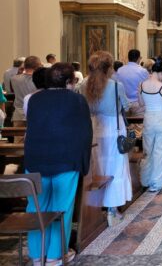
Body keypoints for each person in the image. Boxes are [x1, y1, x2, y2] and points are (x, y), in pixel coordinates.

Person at [25, 63, 92, 265]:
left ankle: (37, 255)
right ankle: (55, 255)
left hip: (36, 159)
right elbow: (85, 133)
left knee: (36, 207)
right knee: (62, 207)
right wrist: (84, 162)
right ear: (68, 82)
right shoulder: (77, 100)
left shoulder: (35, 99)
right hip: (66, 159)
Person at [81, 51, 132, 226]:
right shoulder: (116, 85)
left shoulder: (84, 85)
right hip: (114, 127)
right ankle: (112, 210)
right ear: (109, 68)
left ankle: (96, 206)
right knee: (115, 167)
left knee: (98, 166)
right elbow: (126, 106)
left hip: (93, 127)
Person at [138, 59, 162, 192]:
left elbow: (140, 103)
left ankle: (145, 179)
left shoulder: (141, 84)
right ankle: (156, 183)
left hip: (148, 119)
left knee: (148, 151)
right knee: (161, 152)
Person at [116, 49, 149, 117]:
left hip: (124, 103)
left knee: (126, 126)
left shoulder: (120, 70)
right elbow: (147, 87)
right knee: (139, 126)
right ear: (139, 58)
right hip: (139, 104)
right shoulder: (143, 71)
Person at [11, 56, 40, 125]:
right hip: (35, 115)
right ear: (38, 66)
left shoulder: (14, 79)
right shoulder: (39, 79)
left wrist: (20, 70)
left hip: (19, 115)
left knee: (18, 135)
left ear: (24, 65)